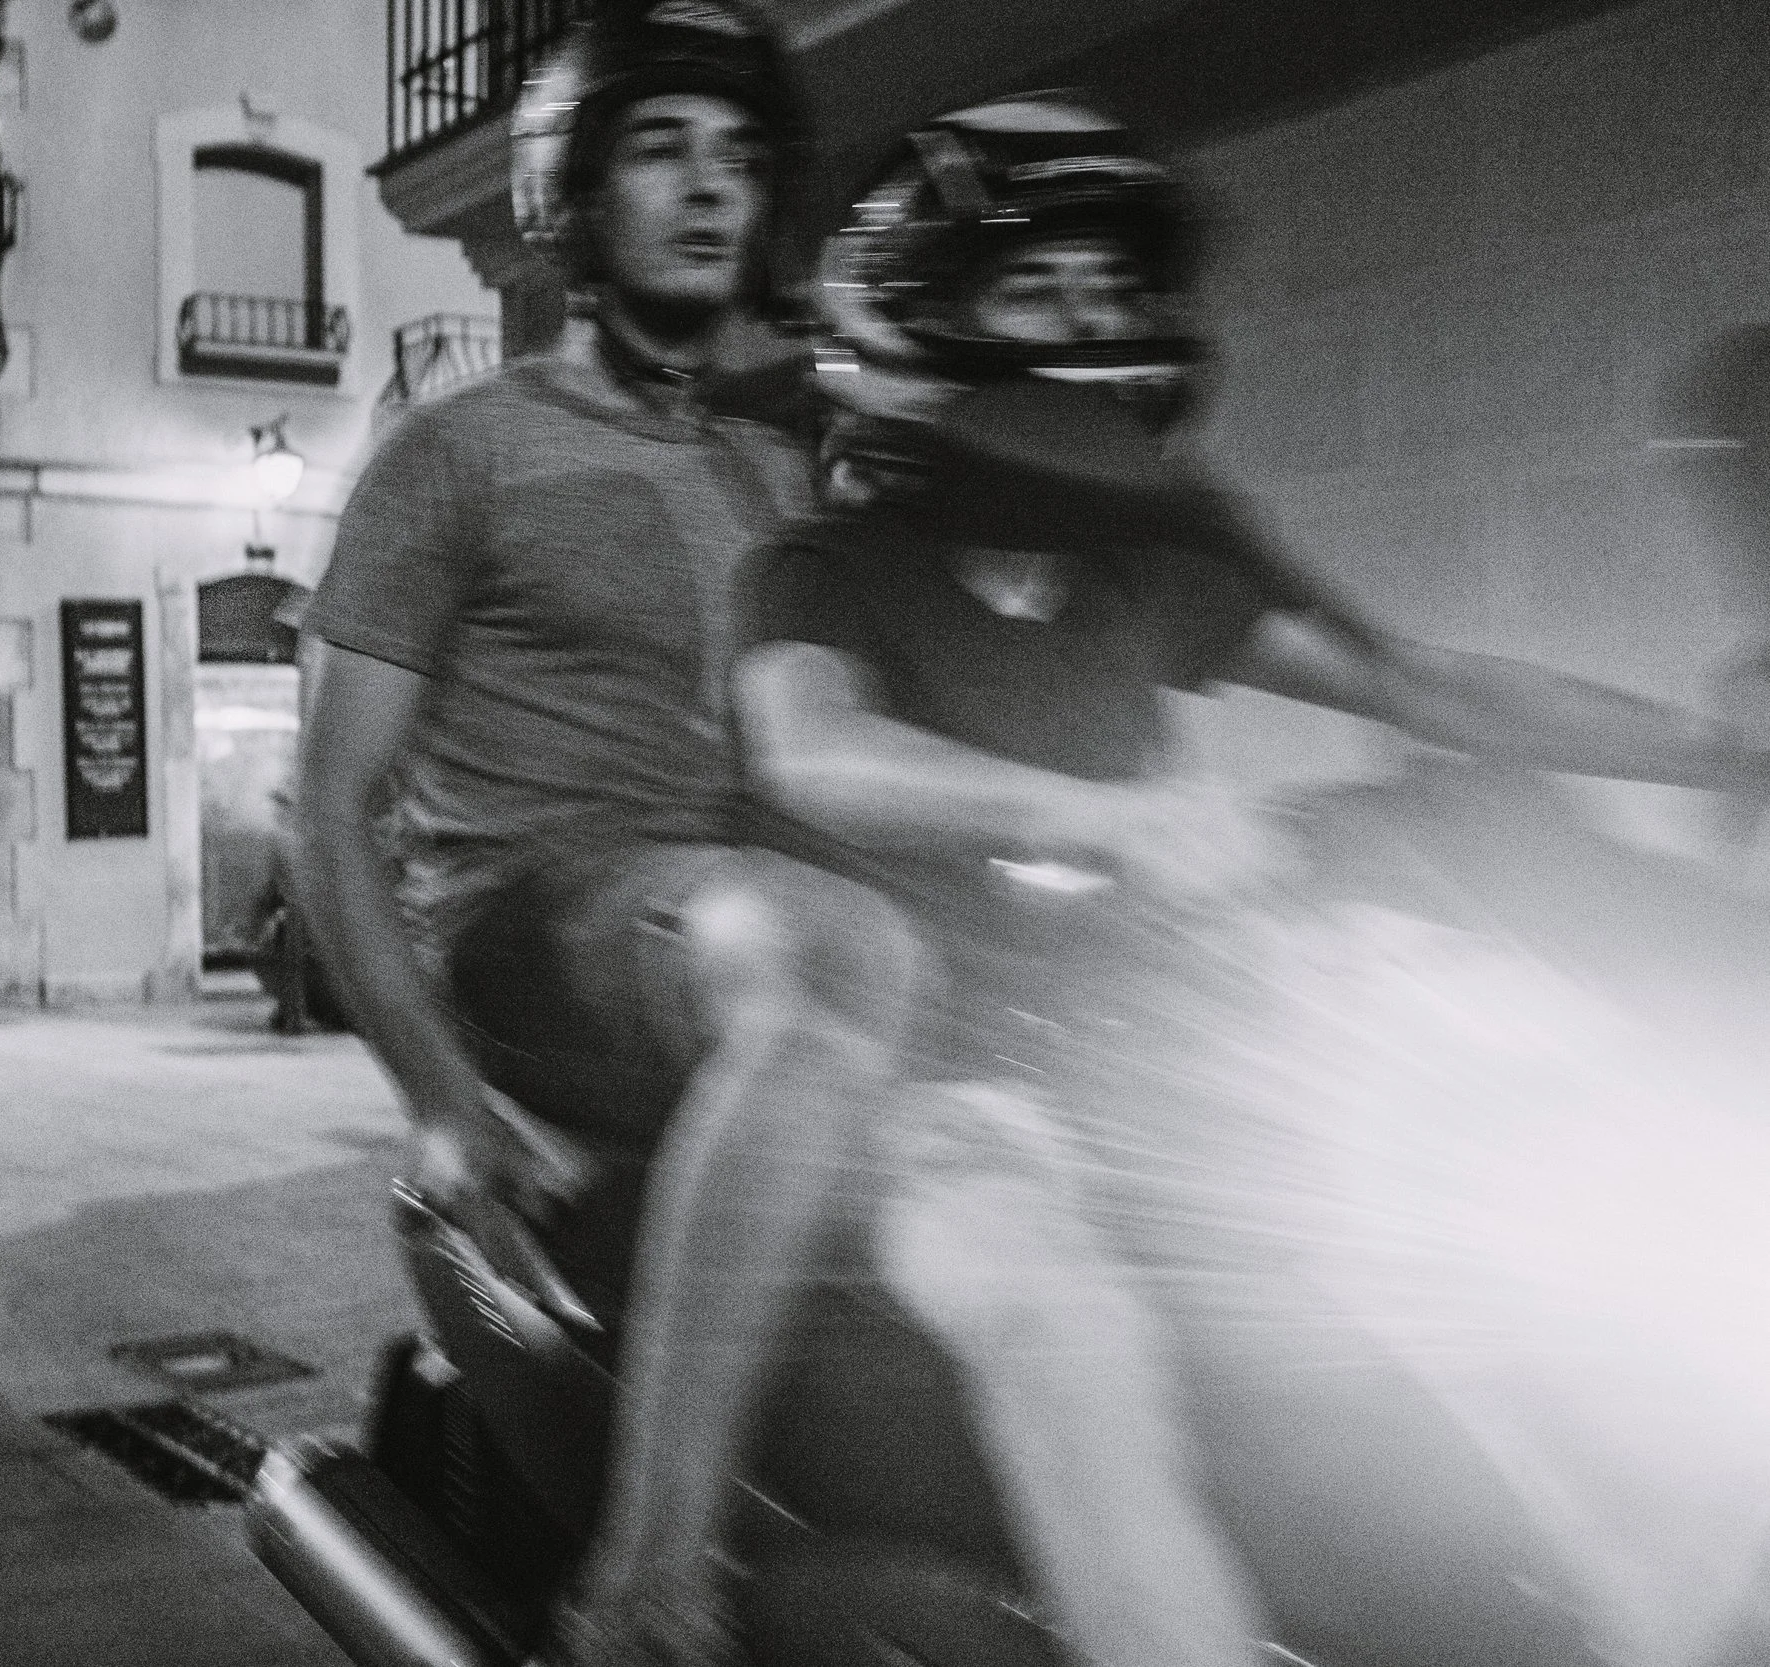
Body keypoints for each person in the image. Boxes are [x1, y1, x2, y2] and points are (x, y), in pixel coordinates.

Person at [728, 93, 1770, 1666]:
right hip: (935, 1068)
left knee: (1486, 1233)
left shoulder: (1149, 573)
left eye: (1110, 293)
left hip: (1160, 1052)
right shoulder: (822, 569)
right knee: (1060, 1326)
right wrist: (1102, 813)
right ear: (920, 321)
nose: (1092, 328)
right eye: (1040, 291)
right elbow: (819, 754)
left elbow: (1430, 687)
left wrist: (1715, 756)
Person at [297, 5, 929, 1661]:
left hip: (738, 916)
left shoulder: (785, 468)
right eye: (660, 151)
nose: (708, 189)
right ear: (574, 201)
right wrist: (440, 1102)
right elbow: (333, 812)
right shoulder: (456, 458)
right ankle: (647, 1575)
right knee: (834, 943)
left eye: (734, 158)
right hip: (542, 919)